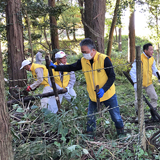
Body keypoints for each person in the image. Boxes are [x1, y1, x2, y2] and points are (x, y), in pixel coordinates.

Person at [49, 38, 124, 137]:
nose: (84, 54)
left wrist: (103, 89)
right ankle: (90, 134)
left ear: (93, 50)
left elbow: (112, 76)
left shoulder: (104, 59)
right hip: (92, 95)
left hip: (108, 94)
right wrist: (56, 67)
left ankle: (121, 132)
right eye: (82, 52)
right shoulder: (83, 61)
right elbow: (71, 67)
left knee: (115, 116)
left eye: (85, 52)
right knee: (90, 116)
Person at [130, 43, 160, 121]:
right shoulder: (139, 58)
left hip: (149, 83)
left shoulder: (152, 59)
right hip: (139, 83)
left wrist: (159, 77)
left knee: (154, 97)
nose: (152, 52)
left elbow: (154, 70)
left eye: (153, 50)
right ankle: (139, 117)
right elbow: (132, 72)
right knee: (138, 101)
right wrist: (136, 82)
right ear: (145, 50)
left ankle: (153, 115)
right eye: (151, 50)